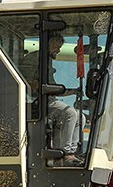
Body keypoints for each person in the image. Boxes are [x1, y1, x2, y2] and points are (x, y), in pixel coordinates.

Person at [18, 33, 81, 166]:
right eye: (57, 47)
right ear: (49, 43)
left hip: (48, 98)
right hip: (37, 101)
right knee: (70, 113)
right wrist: (43, 87)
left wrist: (73, 91)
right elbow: (26, 81)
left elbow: (54, 88)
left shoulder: (46, 60)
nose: (58, 50)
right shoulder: (34, 58)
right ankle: (66, 153)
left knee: (80, 117)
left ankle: (72, 152)